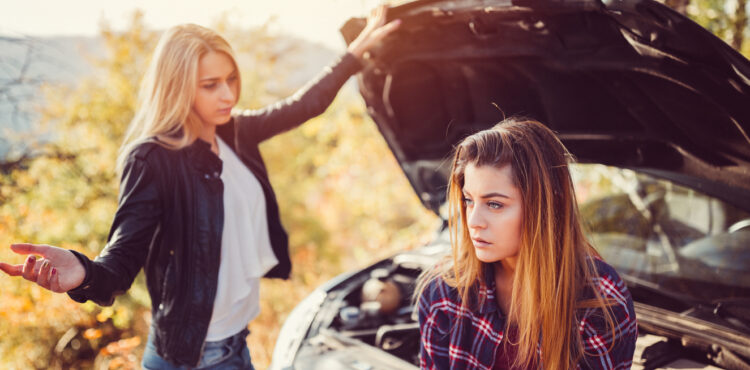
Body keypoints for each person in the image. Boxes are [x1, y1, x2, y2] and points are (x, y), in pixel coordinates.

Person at [0, 6, 399, 369]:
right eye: (210, 85)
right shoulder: (152, 159)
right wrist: (84, 272)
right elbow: (121, 263)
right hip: (191, 358)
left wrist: (354, 56)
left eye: (230, 79)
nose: (227, 94)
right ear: (177, 87)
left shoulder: (235, 132)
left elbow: (303, 105)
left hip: (237, 344)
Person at [416, 118, 638, 369]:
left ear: (545, 205)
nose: (474, 221)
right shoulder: (444, 292)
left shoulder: (598, 303)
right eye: (468, 200)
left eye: (495, 204)